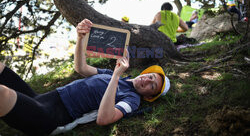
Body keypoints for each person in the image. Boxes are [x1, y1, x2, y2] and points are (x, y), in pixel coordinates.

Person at [0, 19, 170, 135]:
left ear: (148, 96)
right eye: (150, 76)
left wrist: (117, 76)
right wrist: (80, 38)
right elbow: (81, 68)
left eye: (152, 85)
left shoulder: (132, 100)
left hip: (48, 117)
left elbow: (104, 119)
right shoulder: (110, 74)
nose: (147, 80)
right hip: (41, 99)